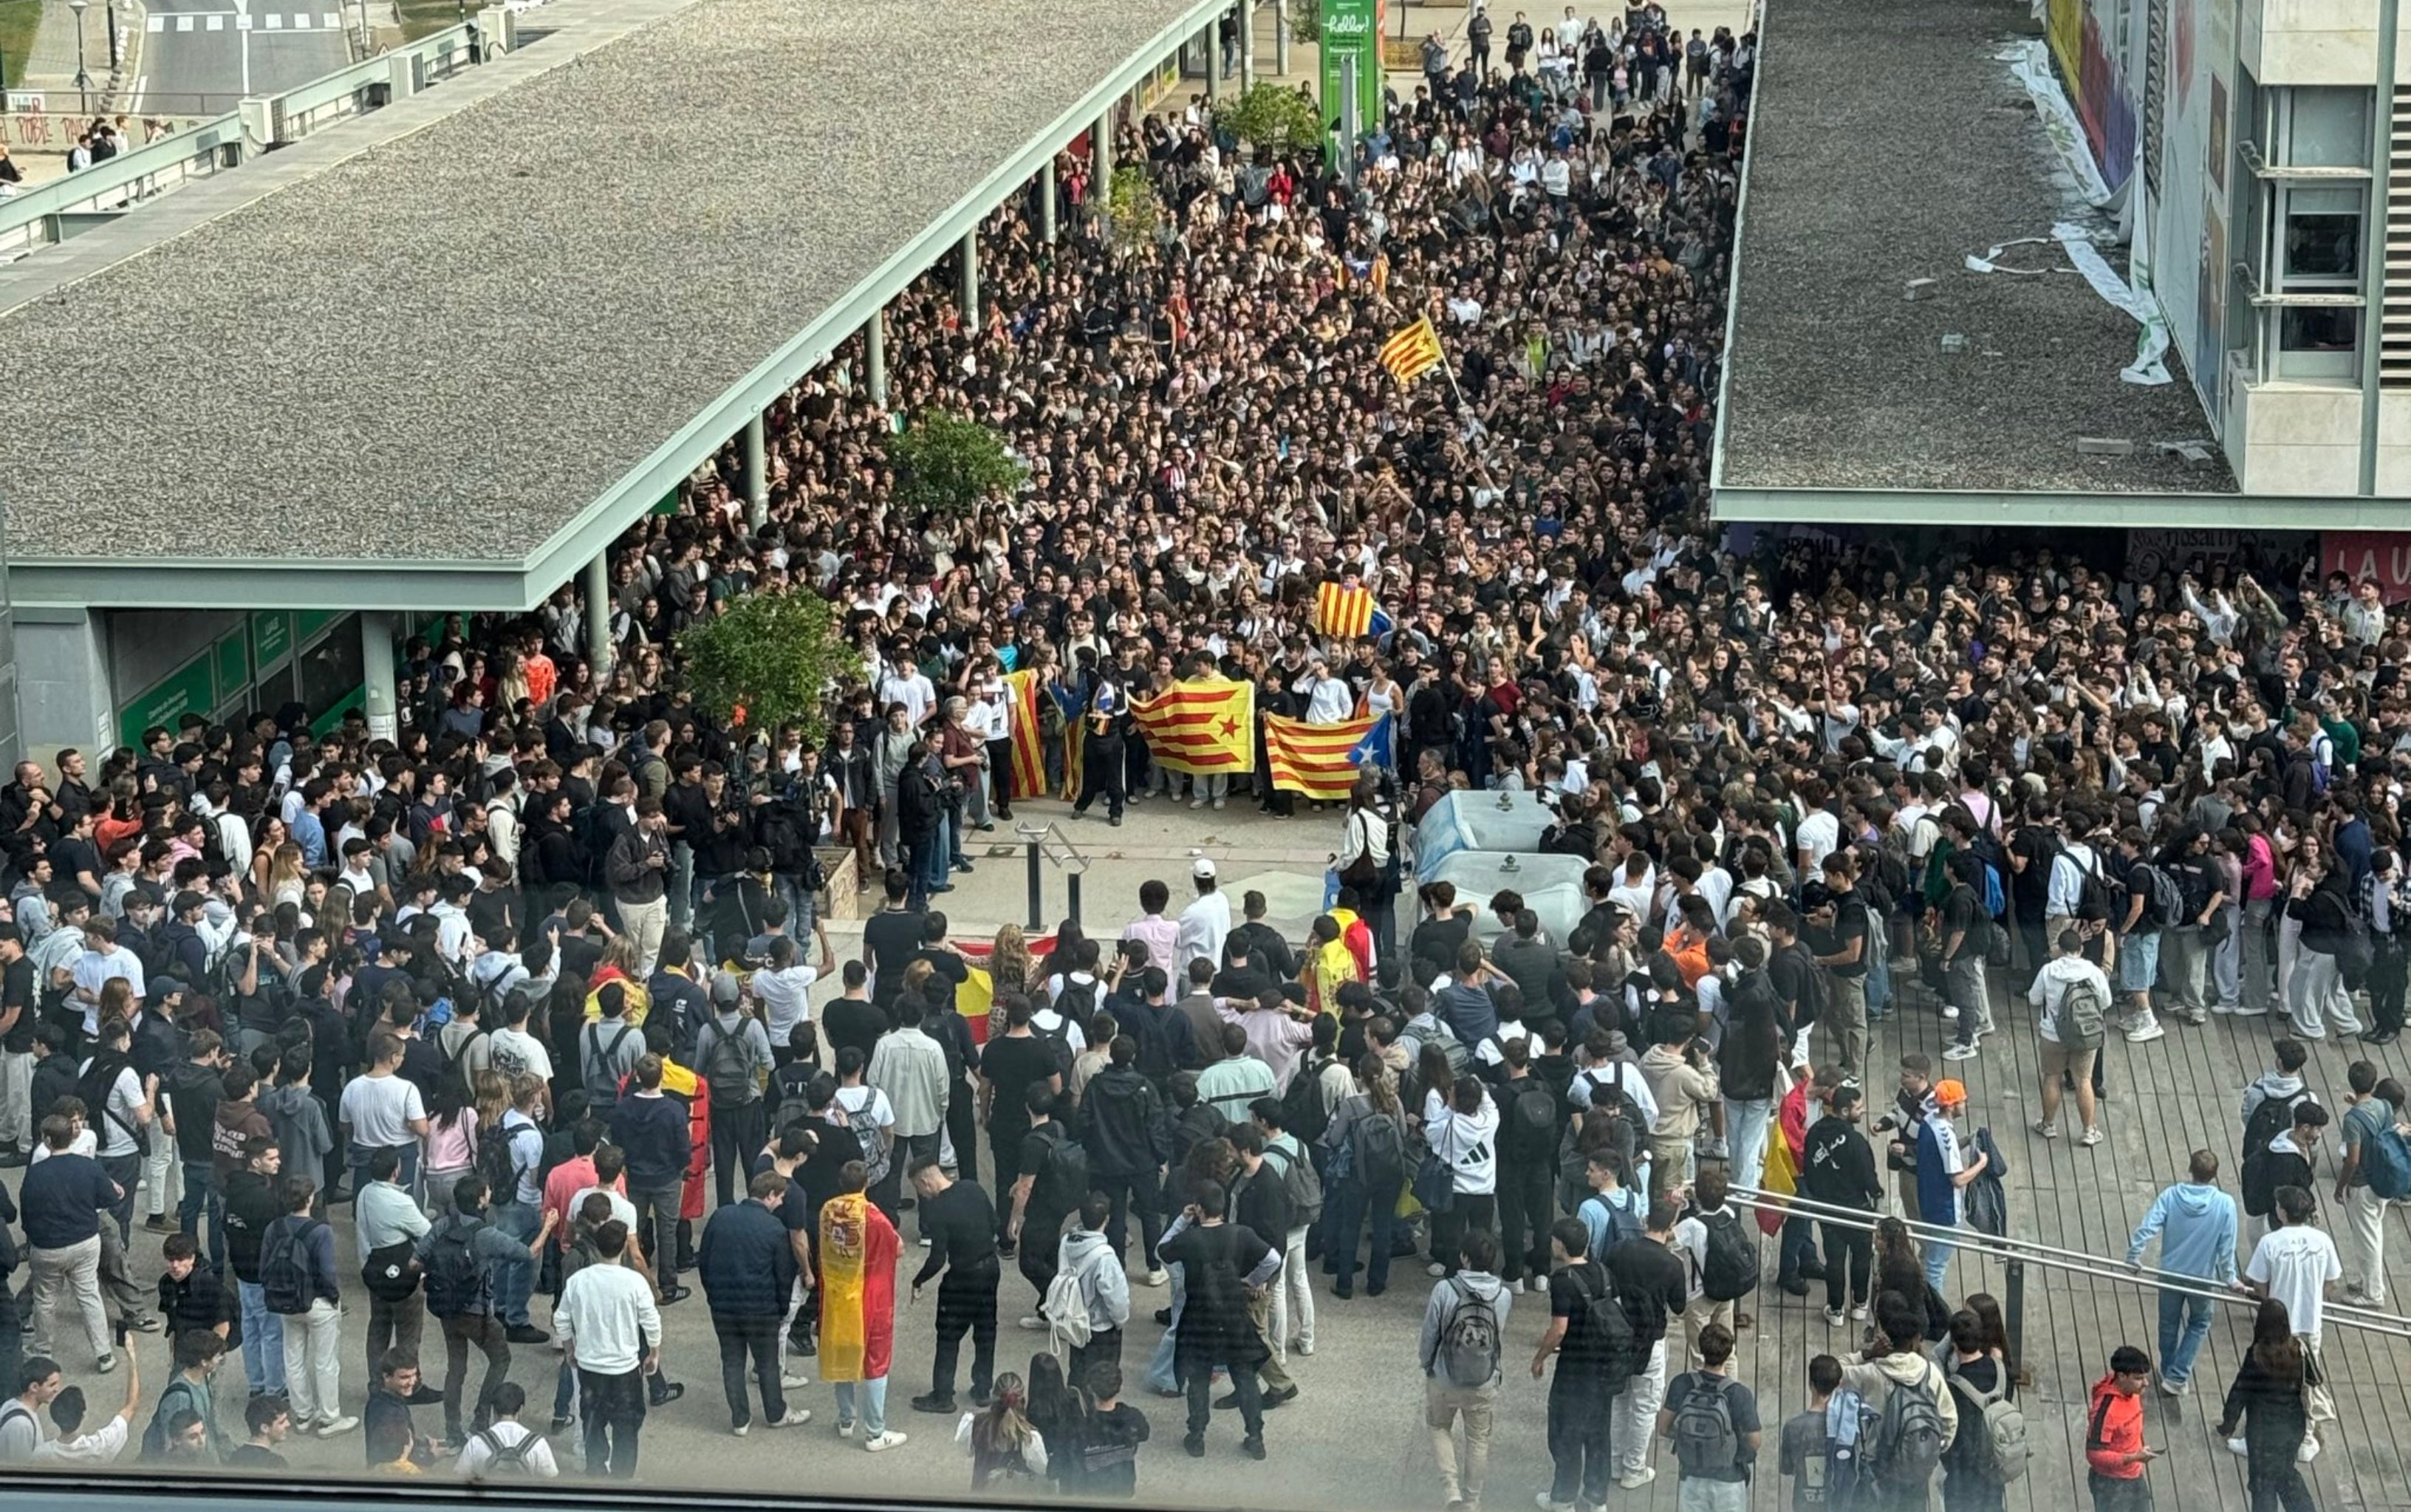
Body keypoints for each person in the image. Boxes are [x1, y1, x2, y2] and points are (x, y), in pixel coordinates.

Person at [420, 1174, 557, 1443]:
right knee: (500, 1358)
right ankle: (480, 1419)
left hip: (446, 1308)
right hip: (476, 1312)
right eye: (487, 1192)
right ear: (481, 1201)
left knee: (456, 1369)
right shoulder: (486, 1235)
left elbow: (417, 1260)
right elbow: (528, 1253)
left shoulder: (442, 1226)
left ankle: (452, 1429)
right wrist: (548, 1226)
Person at [1157, 1179, 1279, 1460]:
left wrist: (1181, 1221)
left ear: (1198, 1208)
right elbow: (1272, 1259)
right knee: (1245, 1375)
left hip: (1199, 1317)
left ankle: (1197, 1436)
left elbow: (1161, 1251)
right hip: (1234, 1315)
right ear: (1223, 1207)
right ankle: (1255, 1436)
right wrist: (1251, 1282)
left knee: (1198, 1377)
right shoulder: (1242, 1234)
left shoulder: (1189, 1239)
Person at [698, 1168, 808, 1434]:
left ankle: (740, 1419)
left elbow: (703, 1260)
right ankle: (776, 1413)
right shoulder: (775, 1229)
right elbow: (784, 1275)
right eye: (780, 1197)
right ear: (770, 1195)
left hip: (724, 1305)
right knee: (768, 1362)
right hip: (761, 1309)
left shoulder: (721, 1216)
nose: (781, 1203)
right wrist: (782, 1309)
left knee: (732, 1361)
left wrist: (713, 1295)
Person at [552, 1218, 662, 1477]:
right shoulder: (634, 1282)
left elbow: (562, 1319)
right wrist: (654, 1354)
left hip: (590, 1367)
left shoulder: (579, 1280)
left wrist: (570, 1350)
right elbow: (652, 1322)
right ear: (624, 1246)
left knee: (592, 1424)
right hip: (624, 1369)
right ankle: (623, 1478)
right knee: (627, 1427)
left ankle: (596, 1473)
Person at [2124, 1149, 2238, 1395]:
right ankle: (2177, 1375)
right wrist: (2230, 1277)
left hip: (2170, 1273)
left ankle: (2167, 1369)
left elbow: (2148, 1226)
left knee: (2168, 1324)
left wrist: (2134, 1256)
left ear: (2190, 1169)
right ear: (2214, 1175)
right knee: (2199, 1322)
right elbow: (2227, 1245)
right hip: (2202, 1278)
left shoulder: (2171, 1196)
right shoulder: (2225, 1204)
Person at [1531, 1216, 1625, 1511]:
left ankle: (1563, 1498)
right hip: (1605, 1366)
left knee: (1565, 1433)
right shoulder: (1606, 1273)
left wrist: (1540, 1357)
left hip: (1574, 1369)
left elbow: (1559, 1328)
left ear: (1560, 1244)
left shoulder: (1563, 1280)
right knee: (1599, 1433)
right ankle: (1596, 1498)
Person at [1420, 1227, 1511, 1512]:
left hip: (1445, 1376)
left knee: (1438, 1426)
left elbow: (1430, 1333)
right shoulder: (1503, 1295)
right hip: (1484, 1380)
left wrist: (1427, 1364)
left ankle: (1451, 1492)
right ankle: (1472, 1501)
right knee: (1478, 1439)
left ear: (1464, 1257)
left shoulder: (1445, 1289)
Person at [22, 1112, 120, 1374]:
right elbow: (109, 1198)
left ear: (46, 1139)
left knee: (45, 1300)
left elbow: (27, 1213)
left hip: (47, 1247)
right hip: (85, 1242)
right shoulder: (88, 1166)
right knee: (89, 1295)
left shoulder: (35, 1174)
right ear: (72, 1135)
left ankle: (43, 1353)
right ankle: (104, 1354)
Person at [821, 1159, 908, 1451]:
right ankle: (875, 1432)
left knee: (843, 1354)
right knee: (876, 1362)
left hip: (838, 1295)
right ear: (867, 1183)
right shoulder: (876, 1218)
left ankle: (846, 1419)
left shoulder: (829, 1210)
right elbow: (897, 1249)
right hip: (872, 1298)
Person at [261, 1172, 357, 1437]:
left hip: (286, 1302)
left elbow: (263, 1268)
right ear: (309, 1199)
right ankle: (329, 1417)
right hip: (317, 1303)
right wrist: (334, 1297)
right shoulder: (320, 1231)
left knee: (293, 1359)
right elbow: (327, 1271)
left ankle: (303, 1414)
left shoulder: (274, 1228)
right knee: (326, 1361)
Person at [2242, 1185, 2341, 1440]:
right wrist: (2313, 1301)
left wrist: (2271, 1303)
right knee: (2307, 1381)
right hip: (2310, 1325)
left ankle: (2259, 1436)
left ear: (2283, 1212)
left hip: (2276, 1329)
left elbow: (2259, 1284)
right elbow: (2331, 1281)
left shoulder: (2270, 1243)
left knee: (2267, 1381)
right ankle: (2306, 1436)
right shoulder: (2323, 1240)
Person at [909, 1156, 1001, 1414]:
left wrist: (919, 1280)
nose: (922, 1195)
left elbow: (938, 1258)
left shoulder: (937, 1210)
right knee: (985, 1330)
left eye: (919, 1188)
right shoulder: (973, 1187)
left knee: (948, 1336)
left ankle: (942, 1395)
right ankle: (983, 1389)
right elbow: (995, 1223)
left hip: (962, 1278)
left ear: (925, 1181)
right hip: (989, 1268)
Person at [2213, 1299, 2315, 1512]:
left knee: (2262, 1483)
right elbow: (2313, 1379)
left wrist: (2228, 1424)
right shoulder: (2299, 1348)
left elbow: (2240, 1390)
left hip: (2263, 1430)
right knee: (2286, 1473)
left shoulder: (2257, 1354)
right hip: (2294, 1425)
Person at [1658, 1321, 1762, 1512]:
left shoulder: (1682, 1383)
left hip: (1691, 1476)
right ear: (1729, 1353)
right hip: (1729, 1479)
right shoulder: (1739, 1394)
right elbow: (1754, 1441)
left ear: (1701, 1349)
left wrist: (1689, 1437)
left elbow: (1664, 1428)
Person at [1799, 1082, 1880, 1325]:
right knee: (1862, 1255)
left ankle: (1835, 1310)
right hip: (1857, 1208)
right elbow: (1868, 1176)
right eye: (1859, 1108)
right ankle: (1860, 1303)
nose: (1863, 1111)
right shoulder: (1856, 1142)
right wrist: (1876, 1193)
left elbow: (1809, 1171)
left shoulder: (1814, 1133)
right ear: (1844, 1111)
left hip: (1828, 1208)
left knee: (1834, 1259)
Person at [2028, 927, 2108, 1145]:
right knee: (2084, 1081)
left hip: (2052, 1034)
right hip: (2085, 1035)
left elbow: (2034, 998)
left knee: (2052, 1078)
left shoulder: (2048, 971)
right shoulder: (2093, 972)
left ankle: (2048, 1125)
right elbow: (2106, 1002)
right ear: (2081, 948)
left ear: (2060, 949)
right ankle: (2089, 1131)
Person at [2333, 1061, 2399, 1303]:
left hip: (2362, 1184)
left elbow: (2352, 1160)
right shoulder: (2384, 1105)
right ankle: (2368, 1281)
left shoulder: (2352, 1120)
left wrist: (2340, 1187)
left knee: (2368, 1239)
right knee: (2372, 1233)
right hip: (2384, 1179)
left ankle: (2373, 1294)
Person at [1055, 1191, 1132, 1386]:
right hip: (1101, 1328)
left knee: (1078, 1372)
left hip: (1075, 1321)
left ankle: (1076, 1406)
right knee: (1103, 1381)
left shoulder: (1067, 1241)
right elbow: (1117, 1300)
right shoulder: (1105, 1257)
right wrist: (1120, 1321)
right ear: (1106, 1219)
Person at [1915, 1079, 1984, 1293]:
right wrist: (1982, 1164)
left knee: (1929, 1259)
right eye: (1962, 1101)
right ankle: (1937, 1316)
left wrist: (1965, 1141)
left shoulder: (1928, 1121)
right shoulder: (1945, 1134)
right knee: (1936, 1268)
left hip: (1927, 1201)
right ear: (1952, 1106)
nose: (1965, 1104)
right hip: (1945, 1211)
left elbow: (1940, 1151)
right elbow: (1958, 1179)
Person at [2083, 1345, 2158, 1512]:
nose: (2145, 1384)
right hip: (2111, 1485)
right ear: (2122, 1376)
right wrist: (2133, 1457)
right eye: (2139, 1378)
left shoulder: (2131, 1391)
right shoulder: (2105, 1411)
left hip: (2134, 1475)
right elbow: (2094, 1455)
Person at [958, 1369, 1048, 1488]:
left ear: (995, 1397)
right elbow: (1042, 1469)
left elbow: (966, 1449)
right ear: (1021, 1400)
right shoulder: (1029, 1438)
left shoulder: (976, 1423)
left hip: (981, 1495)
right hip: (1013, 1499)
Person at [1777, 1355, 1845, 1512]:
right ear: (1839, 1385)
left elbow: (1787, 1468)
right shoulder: (1847, 1427)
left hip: (1804, 1505)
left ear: (1811, 1384)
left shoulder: (1792, 1426)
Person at [456, 1380, 561, 1479]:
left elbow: (460, 1476)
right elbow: (551, 1479)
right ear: (521, 1410)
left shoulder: (476, 1443)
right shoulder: (538, 1444)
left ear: (493, 1410)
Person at [225, 1393, 293, 1468]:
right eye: (282, 1422)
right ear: (264, 1428)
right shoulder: (276, 1463)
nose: (288, 1424)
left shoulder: (235, 1456)